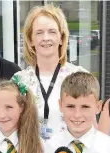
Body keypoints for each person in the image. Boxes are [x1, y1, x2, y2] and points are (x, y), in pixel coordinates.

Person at [14, 4, 88, 141]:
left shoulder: (79, 77)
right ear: (30, 39)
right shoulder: (19, 81)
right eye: (39, 32)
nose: (46, 38)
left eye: (52, 32)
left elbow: (91, 127)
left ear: (61, 38)